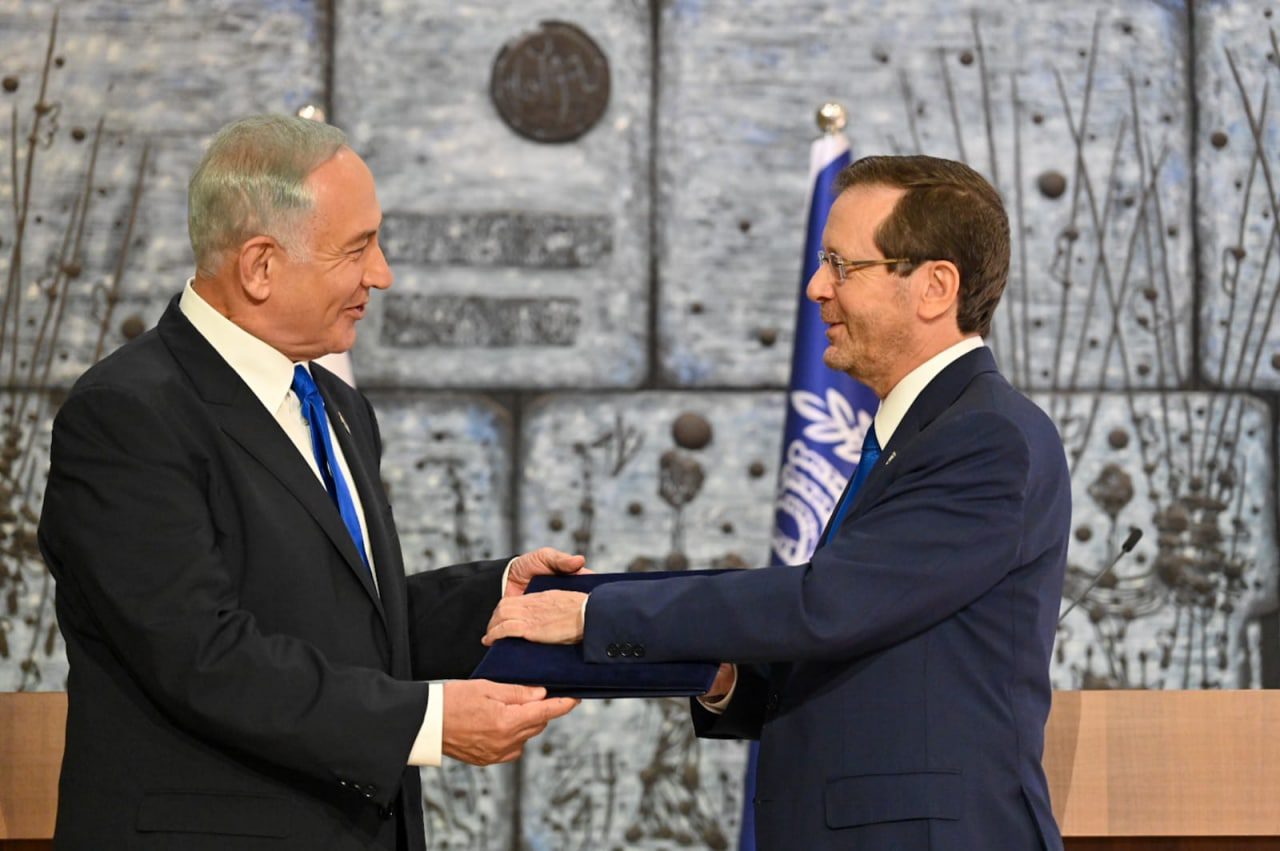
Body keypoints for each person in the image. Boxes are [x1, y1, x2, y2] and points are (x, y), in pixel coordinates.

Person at [485, 155, 1071, 850]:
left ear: (935, 286)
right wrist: (729, 672)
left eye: (842, 265)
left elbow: (829, 604)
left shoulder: (986, 437)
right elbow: (873, 646)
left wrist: (590, 613)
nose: (816, 286)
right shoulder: (923, 431)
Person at [38, 114, 581, 851]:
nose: (382, 273)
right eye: (358, 248)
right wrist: (429, 721)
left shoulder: (339, 404)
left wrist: (496, 598)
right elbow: (203, 654)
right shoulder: (127, 416)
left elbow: (336, 620)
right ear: (261, 266)